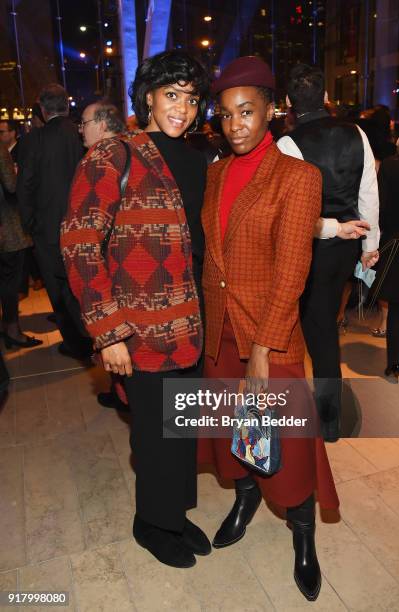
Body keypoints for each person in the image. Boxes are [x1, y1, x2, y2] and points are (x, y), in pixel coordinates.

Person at [61, 50, 210, 569]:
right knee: (151, 434)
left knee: (181, 429)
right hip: (139, 330)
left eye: (191, 99)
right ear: (148, 95)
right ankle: (151, 523)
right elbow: (80, 243)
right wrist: (108, 332)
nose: (182, 109)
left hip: (190, 322)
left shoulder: (197, 158)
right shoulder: (113, 156)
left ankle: (175, 511)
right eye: (172, 95)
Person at [198, 56, 339, 602]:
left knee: (288, 448)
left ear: (271, 111)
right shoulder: (213, 173)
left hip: (267, 334)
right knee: (233, 438)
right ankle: (243, 500)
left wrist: (262, 348)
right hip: (219, 332)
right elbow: (213, 257)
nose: (236, 124)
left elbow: (292, 272)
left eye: (247, 111)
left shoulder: (299, 177)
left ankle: (303, 537)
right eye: (227, 113)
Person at [277, 64, 380, 442]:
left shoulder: (287, 145)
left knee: (317, 328)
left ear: (288, 102)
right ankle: (322, 405)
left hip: (311, 247)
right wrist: (369, 246)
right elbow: (369, 193)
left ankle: (328, 417)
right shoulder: (357, 133)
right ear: (324, 97)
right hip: (348, 244)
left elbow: (289, 213)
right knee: (323, 323)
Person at [16, 83, 92, 359]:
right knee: (84, 282)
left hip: (47, 228)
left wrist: (29, 224)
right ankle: (92, 336)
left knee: (59, 288)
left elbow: (24, 186)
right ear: (67, 105)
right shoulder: (83, 133)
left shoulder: (34, 140)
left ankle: (74, 343)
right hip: (84, 224)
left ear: (42, 109)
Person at [77, 99, 129, 412]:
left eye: (84, 122)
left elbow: (83, 244)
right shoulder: (135, 150)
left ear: (104, 123)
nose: (80, 129)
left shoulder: (102, 159)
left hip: (118, 274)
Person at [374, 116, 399, 378]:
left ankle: (393, 364)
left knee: (398, 307)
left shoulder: (389, 167)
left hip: (397, 245)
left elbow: (381, 209)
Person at [0, 143, 42, 349]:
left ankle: (6, 326)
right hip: (6, 226)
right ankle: (12, 330)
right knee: (11, 280)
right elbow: (11, 184)